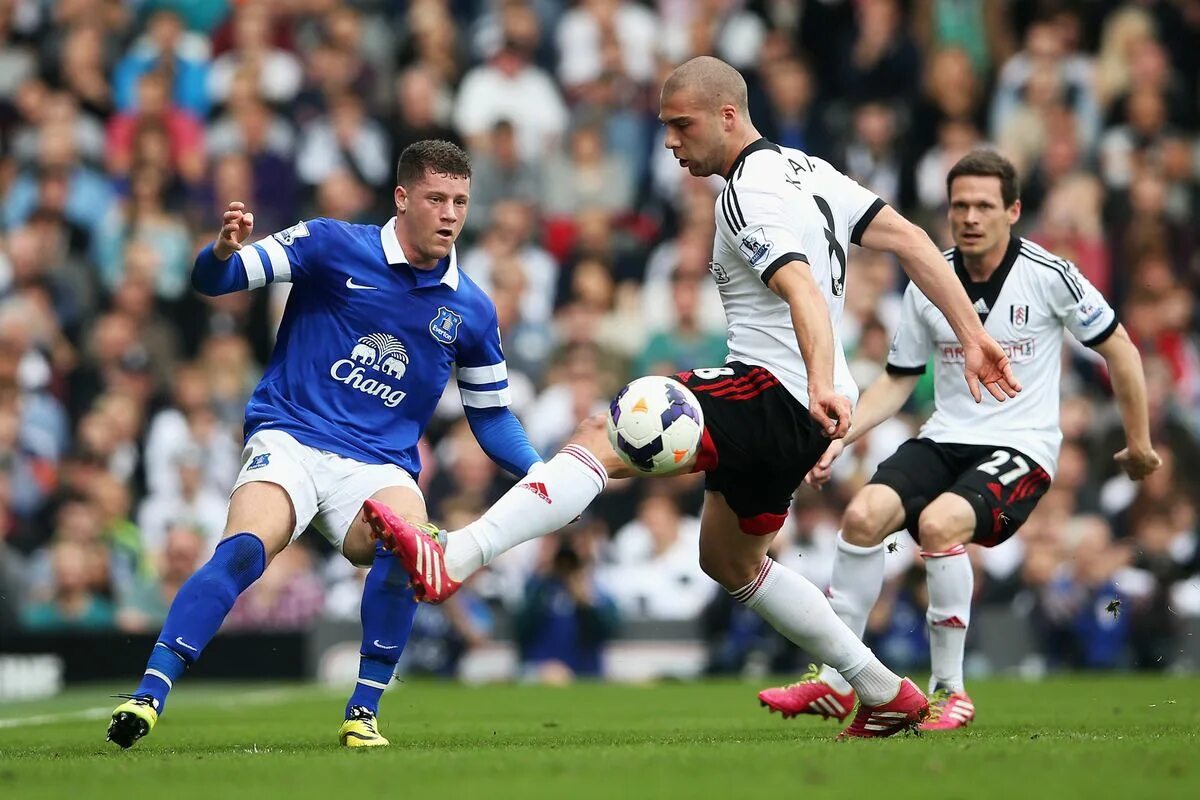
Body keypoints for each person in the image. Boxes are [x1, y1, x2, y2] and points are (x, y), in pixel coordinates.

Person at [364, 57, 1019, 740]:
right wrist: (971, 336)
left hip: (773, 391)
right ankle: (886, 691)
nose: (671, 142)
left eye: (681, 125)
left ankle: (455, 557)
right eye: (664, 127)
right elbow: (914, 241)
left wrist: (822, 379)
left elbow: (798, 287)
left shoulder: (747, 191)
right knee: (730, 562)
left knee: (599, 431)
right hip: (799, 411)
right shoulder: (811, 171)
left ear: (728, 116)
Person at [105, 141, 541, 749]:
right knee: (242, 553)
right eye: (437, 198)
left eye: (461, 202)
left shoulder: (470, 308)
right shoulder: (331, 243)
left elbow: (492, 421)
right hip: (293, 435)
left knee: (406, 543)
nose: (450, 214)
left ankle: (362, 714)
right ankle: (148, 695)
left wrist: (543, 473)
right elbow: (219, 279)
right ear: (402, 197)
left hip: (378, 464)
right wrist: (220, 251)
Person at [757, 150, 1161, 730]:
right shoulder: (928, 280)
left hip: (1021, 447)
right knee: (863, 516)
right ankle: (839, 681)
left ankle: (950, 691)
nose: (970, 216)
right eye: (959, 205)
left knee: (940, 525)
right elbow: (899, 380)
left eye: (983, 205)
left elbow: (1119, 345)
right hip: (946, 437)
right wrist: (844, 438)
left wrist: (1139, 442)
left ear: (1013, 211)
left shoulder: (1049, 275)